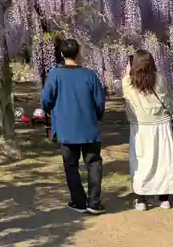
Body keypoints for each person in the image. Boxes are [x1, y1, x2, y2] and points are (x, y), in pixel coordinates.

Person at [41, 38, 106, 214]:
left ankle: (79, 201)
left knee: (71, 165)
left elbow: (46, 100)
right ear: (78, 53)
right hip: (89, 128)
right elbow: (100, 102)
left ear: (61, 54)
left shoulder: (55, 74)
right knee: (93, 163)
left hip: (66, 129)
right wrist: (96, 117)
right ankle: (94, 202)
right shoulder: (90, 75)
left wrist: (49, 110)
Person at [116, 51, 173, 211]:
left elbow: (118, 90)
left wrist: (127, 73)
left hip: (140, 127)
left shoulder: (128, 81)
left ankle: (141, 200)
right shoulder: (160, 78)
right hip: (161, 125)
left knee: (141, 161)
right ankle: (164, 199)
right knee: (163, 161)